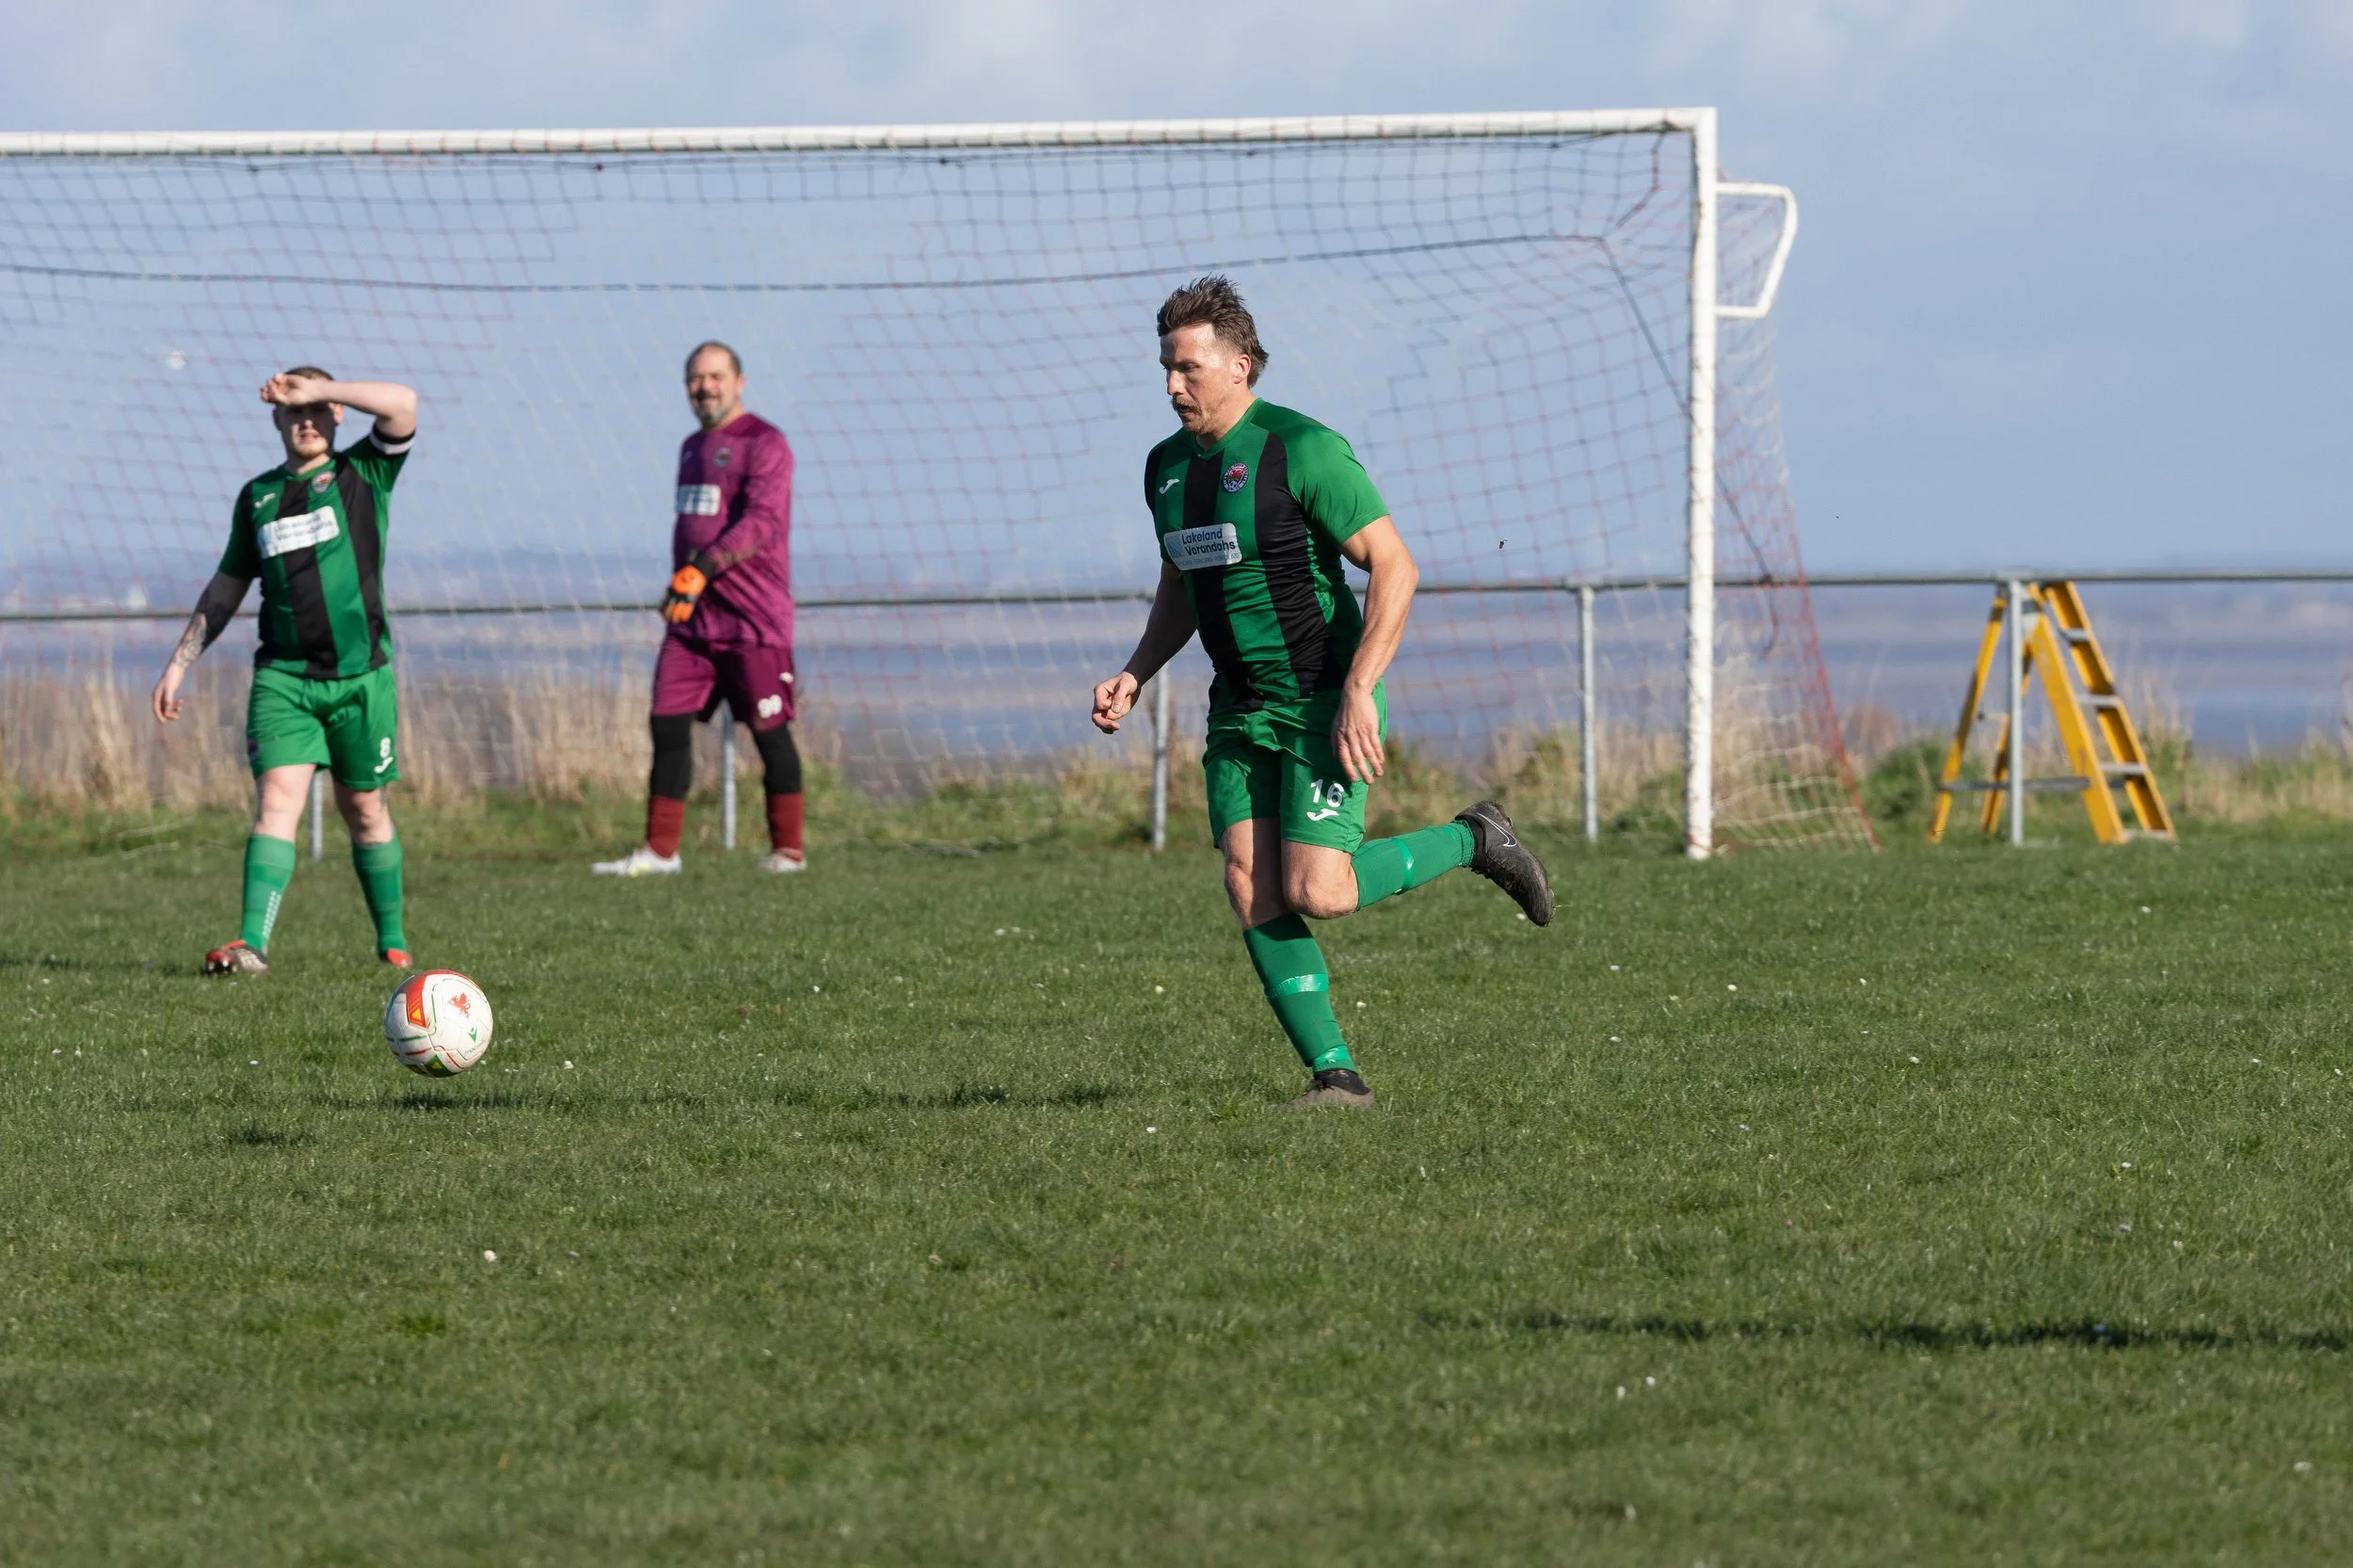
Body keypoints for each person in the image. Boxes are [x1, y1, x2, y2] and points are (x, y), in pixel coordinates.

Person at [1091, 277, 1555, 1110]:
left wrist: (1360, 690)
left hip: (1319, 699)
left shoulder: (1301, 450)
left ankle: (1475, 839)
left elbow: (1396, 566)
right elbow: (1181, 585)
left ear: (1240, 366)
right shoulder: (1165, 469)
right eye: (1165, 368)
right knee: (1249, 887)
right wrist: (1136, 670)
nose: (1171, 386)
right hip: (1237, 709)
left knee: (1321, 892)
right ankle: (1335, 1075)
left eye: (1188, 368)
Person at [152, 368, 421, 976]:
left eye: (318, 407)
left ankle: (393, 940)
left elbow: (404, 405)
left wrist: (322, 388)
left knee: (365, 811)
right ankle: (251, 945)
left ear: (336, 414)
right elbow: (227, 585)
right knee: (277, 801)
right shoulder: (257, 497)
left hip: (361, 679)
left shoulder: (363, 473)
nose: (306, 418)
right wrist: (179, 663)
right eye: (293, 409)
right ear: (275, 419)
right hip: (284, 681)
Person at [594, 342, 805, 875]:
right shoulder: (691, 446)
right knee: (666, 723)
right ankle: (660, 853)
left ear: (740, 381)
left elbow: (761, 523)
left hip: (753, 621)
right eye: (695, 378)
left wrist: (701, 569)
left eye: (715, 376)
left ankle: (788, 853)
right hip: (694, 621)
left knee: (769, 732)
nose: (705, 387)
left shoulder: (766, 442)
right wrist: (684, 582)